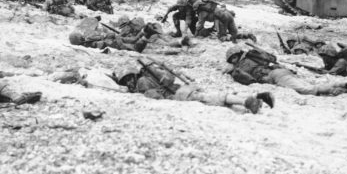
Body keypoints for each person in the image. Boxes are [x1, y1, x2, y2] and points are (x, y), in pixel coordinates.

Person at [113, 62, 273, 114]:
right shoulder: (146, 77)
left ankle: (247, 101)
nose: (128, 83)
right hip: (182, 88)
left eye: (128, 79)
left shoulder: (142, 82)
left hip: (179, 95)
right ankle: (253, 97)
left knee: (211, 98)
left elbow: (155, 98)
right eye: (124, 81)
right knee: (214, 97)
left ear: (133, 76)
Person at [225, 45, 347, 96]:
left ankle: (333, 89)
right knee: (307, 85)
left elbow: (249, 79)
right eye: (232, 60)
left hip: (275, 75)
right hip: (280, 71)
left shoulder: (243, 64)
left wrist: (232, 71)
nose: (234, 61)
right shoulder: (252, 56)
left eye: (234, 58)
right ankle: (338, 85)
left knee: (304, 89)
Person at [69, 17, 147, 52]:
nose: (82, 36)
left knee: (132, 40)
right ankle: (141, 38)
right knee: (133, 44)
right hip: (114, 43)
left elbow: (99, 38)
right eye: (80, 36)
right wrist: (106, 39)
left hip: (113, 41)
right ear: (78, 40)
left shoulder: (87, 41)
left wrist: (106, 36)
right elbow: (101, 44)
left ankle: (141, 36)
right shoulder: (87, 44)